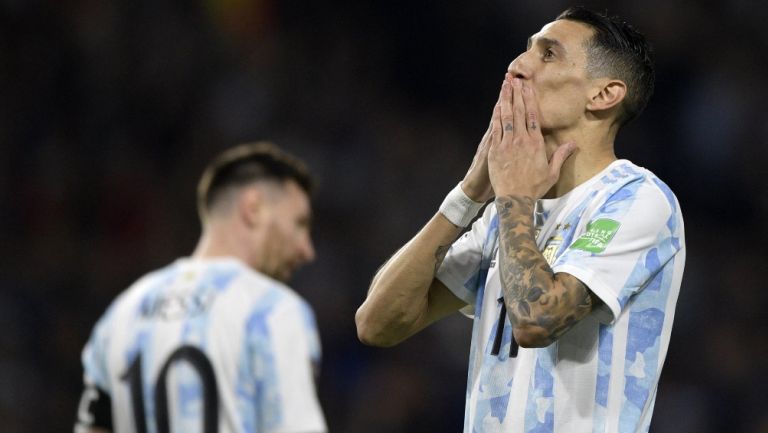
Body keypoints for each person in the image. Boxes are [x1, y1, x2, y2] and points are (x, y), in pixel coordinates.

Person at [356, 6, 685, 432]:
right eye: (525, 49)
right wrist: (469, 195)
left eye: (548, 54)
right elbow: (378, 324)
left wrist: (511, 195)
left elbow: (537, 320)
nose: (517, 66)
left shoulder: (638, 200)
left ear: (604, 95)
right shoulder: (507, 212)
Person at [75, 142, 326, 433]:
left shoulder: (120, 315)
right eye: (300, 223)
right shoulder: (273, 312)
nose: (307, 249)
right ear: (253, 208)